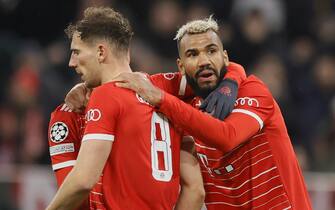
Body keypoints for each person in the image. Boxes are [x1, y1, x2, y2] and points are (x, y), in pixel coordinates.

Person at [110, 17, 312, 209]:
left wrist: (162, 98)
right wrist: (89, 90)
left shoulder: (253, 91)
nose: (204, 61)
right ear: (180, 66)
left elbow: (227, 137)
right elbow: (140, 84)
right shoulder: (188, 101)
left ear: (224, 57)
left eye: (211, 51)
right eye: (192, 54)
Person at [46, 7, 207, 210]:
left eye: (77, 52)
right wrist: (233, 80)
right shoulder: (167, 94)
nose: (71, 62)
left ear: (101, 52)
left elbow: (82, 181)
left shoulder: (103, 97)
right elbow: (196, 190)